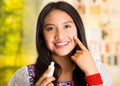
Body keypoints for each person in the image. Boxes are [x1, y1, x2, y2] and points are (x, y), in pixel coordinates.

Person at [8, 1, 112, 86]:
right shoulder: (24, 77)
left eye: (67, 26)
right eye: (51, 28)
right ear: (42, 35)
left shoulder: (99, 70)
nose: (60, 36)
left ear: (78, 29)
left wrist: (92, 74)